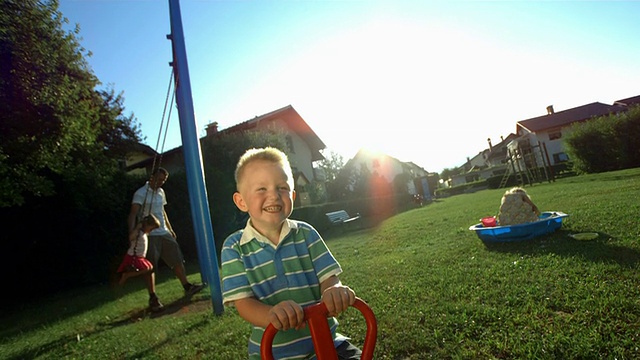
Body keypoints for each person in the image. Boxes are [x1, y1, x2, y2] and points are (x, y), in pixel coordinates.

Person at [221, 147, 362, 359]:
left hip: (327, 342)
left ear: (293, 195)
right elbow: (244, 303)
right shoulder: (234, 247)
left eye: (282, 187)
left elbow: (329, 278)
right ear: (241, 201)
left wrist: (333, 290)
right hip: (273, 353)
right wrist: (271, 314)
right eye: (261, 189)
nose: (274, 196)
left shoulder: (306, 234)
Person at [127, 167, 204, 298]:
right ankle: (153, 297)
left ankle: (187, 286)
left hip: (164, 232)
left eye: (164, 180)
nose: (161, 182)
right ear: (152, 177)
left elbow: (162, 212)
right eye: (159, 179)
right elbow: (133, 214)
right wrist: (132, 233)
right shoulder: (141, 193)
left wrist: (170, 228)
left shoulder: (161, 192)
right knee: (149, 266)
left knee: (177, 259)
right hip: (149, 234)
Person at [117, 214, 164, 312]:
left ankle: (128, 275)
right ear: (146, 225)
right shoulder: (138, 233)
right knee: (148, 269)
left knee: (149, 268)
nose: (151, 231)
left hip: (140, 257)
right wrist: (138, 227)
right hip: (133, 257)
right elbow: (131, 238)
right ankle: (127, 275)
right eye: (151, 228)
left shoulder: (144, 233)